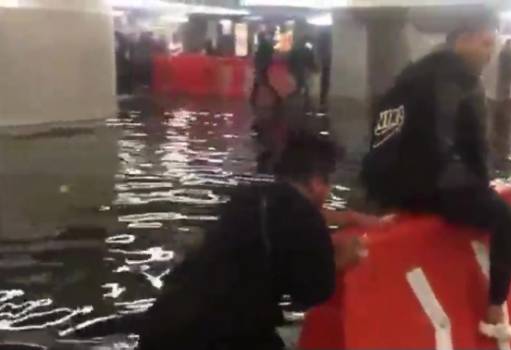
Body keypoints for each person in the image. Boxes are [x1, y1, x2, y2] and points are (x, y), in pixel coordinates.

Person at [361, 10, 511, 328]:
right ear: (462, 39)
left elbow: (383, 133)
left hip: (389, 190)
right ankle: (494, 311)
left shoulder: (410, 75)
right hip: (431, 189)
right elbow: (467, 144)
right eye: (486, 44)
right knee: (510, 225)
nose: (489, 55)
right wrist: (480, 184)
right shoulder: (462, 79)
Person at [137, 133, 367, 350]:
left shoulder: (249, 197)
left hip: (165, 322)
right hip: (219, 338)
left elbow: (278, 235)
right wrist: (341, 259)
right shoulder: (305, 216)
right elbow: (313, 293)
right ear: (317, 182)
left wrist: (347, 219)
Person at [250, 32, 281, 106]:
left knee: (262, 82)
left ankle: (253, 98)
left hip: (262, 66)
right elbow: (271, 53)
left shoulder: (263, 45)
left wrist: (258, 64)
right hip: (264, 66)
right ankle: (253, 98)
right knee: (261, 82)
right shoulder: (266, 44)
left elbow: (259, 56)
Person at [288, 37, 318, 108]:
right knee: (304, 82)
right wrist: (314, 68)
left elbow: (291, 59)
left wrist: (290, 68)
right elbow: (310, 60)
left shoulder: (295, 49)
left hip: (297, 68)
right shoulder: (307, 50)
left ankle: (297, 95)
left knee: (300, 82)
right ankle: (305, 98)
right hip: (303, 68)